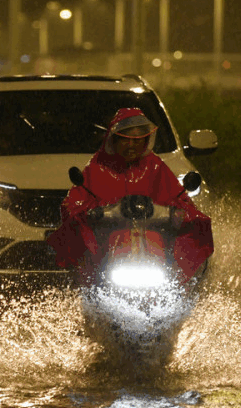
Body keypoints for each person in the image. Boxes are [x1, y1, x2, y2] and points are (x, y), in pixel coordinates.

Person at [47, 107, 213, 283]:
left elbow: (181, 200)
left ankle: (183, 286)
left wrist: (179, 214)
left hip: (155, 247)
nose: (132, 145)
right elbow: (72, 204)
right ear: (114, 140)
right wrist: (89, 213)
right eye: (126, 140)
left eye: (137, 140)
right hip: (105, 252)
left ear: (146, 140)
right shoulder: (97, 168)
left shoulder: (156, 167)